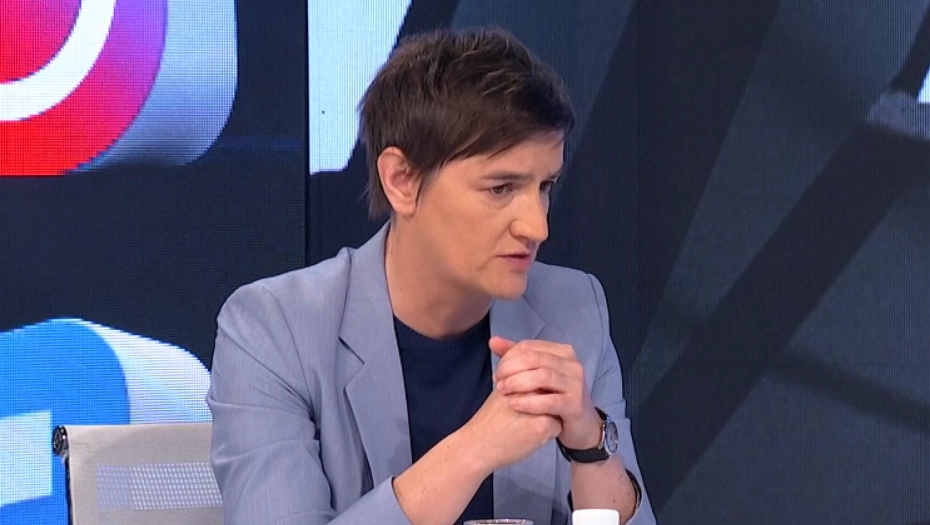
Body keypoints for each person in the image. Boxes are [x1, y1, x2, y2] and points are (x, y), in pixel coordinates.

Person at [207, 27, 656, 525]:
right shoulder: (274, 329)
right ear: (402, 180)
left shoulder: (574, 307)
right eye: (501, 188)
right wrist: (474, 449)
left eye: (544, 186)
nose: (537, 226)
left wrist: (590, 444)